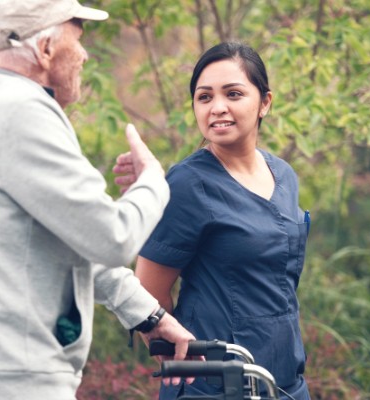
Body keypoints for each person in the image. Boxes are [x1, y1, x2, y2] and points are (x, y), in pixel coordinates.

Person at [0, 0, 195, 398]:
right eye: (78, 39)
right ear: (45, 48)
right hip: (11, 383)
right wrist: (154, 181)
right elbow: (113, 238)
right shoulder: (22, 113)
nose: (84, 55)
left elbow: (70, 240)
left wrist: (149, 317)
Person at [133, 42, 311, 399]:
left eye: (233, 94)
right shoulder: (188, 184)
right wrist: (184, 355)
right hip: (214, 383)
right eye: (204, 97)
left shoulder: (284, 175)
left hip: (284, 380)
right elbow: (148, 291)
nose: (217, 108)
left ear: (265, 102)